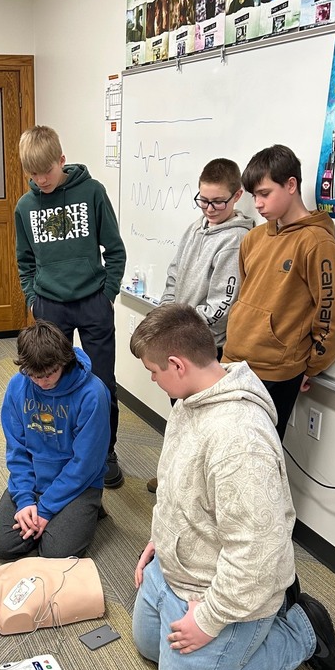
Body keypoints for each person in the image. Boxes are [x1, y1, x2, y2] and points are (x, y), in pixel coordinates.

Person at [130, 303, 335, 670]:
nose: (152, 379)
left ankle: (300, 630)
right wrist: (160, 539)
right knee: (148, 647)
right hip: (181, 563)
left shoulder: (239, 439)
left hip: (223, 587)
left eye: (154, 371)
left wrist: (208, 619)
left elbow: (258, 550)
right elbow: (177, 485)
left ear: (177, 364)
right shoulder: (190, 398)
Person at [14, 125, 126, 487]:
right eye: (33, 174)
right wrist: (33, 299)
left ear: (61, 160)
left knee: (102, 383)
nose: (41, 179)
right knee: (50, 381)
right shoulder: (26, 206)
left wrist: (106, 295)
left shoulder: (92, 192)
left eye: (46, 170)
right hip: (50, 306)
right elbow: (25, 261)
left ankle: (105, 452)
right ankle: (59, 450)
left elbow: (115, 250)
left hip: (93, 301)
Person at [222, 145, 335, 440]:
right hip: (232, 361)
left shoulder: (317, 243)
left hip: (275, 373)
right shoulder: (254, 238)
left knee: (257, 457)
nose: (257, 203)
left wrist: (311, 367)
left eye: (265, 193)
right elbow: (247, 295)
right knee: (224, 446)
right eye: (254, 195)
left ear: (291, 185)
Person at [145, 158, 253, 492]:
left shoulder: (235, 239)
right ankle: (174, 479)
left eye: (217, 201)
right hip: (175, 337)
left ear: (236, 197)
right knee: (179, 416)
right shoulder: (195, 227)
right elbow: (174, 274)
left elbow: (222, 304)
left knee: (199, 425)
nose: (208, 207)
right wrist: (164, 319)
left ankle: (190, 489)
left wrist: (179, 331)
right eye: (203, 199)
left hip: (202, 347)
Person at [0, 320, 110, 560]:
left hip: (79, 483)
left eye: (49, 374)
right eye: (34, 376)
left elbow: (85, 464)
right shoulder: (17, 386)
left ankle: (90, 509)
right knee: (4, 546)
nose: (42, 382)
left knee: (56, 553)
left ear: (64, 362)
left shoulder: (92, 394)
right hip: (34, 480)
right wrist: (25, 500)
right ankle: (59, 516)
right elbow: (17, 449)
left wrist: (45, 509)